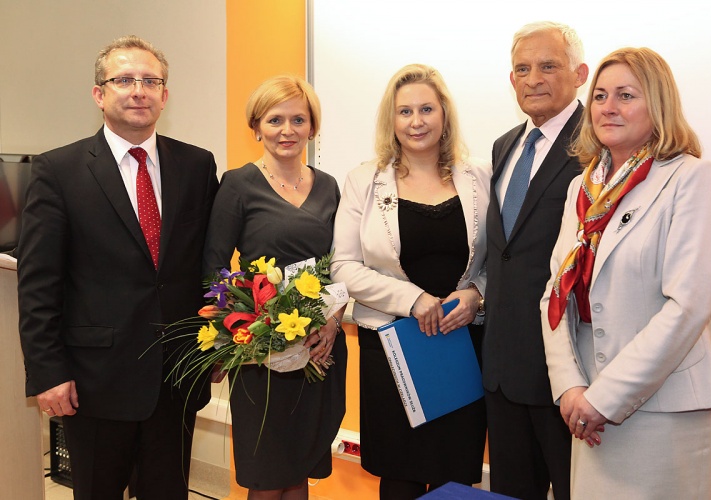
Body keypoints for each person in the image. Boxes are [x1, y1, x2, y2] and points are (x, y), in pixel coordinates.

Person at [17, 35, 219, 499]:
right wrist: (48, 372)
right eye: (124, 80)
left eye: (151, 81)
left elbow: (206, 266)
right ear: (99, 93)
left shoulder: (196, 165)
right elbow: (39, 284)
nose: (138, 91)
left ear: (164, 95)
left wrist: (216, 344)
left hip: (177, 375)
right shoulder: (58, 170)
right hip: (95, 381)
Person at [541, 47, 711, 500]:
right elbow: (555, 293)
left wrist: (603, 398)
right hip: (585, 402)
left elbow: (687, 306)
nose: (608, 107)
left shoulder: (691, 177)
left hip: (661, 408)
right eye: (600, 96)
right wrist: (570, 386)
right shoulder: (583, 187)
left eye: (625, 95)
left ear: (658, 104)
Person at [331, 63, 490, 499]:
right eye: (405, 112)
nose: (416, 121)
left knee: (454, 477)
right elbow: (343, 265)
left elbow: (502, 258)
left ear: (444, 114)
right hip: (391, 345)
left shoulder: (479, 175)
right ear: (392, 119)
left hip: (461, 344)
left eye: (426, 109)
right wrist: (414, 298)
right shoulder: (364, 180)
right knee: (400, 474)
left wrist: (477, 294)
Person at [202, 75, 346, 500]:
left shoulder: (329, 186)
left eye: (298, 119)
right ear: (256, 127)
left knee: (300, 468)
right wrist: (234, 336)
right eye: (275, 119)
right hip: (259, 351)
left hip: (318, 346)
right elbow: (213, 267)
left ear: (312, 127)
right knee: (267, 475)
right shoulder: (237, 184)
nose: (287, 130)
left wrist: (333, 322)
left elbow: (343, 264)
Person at [482, 21, 589, 500]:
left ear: (580, 74)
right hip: (502, 372)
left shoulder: (599, 145)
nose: (533, 79)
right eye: (522, 69)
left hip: (566, 375)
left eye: (548, 66)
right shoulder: (504, 145)